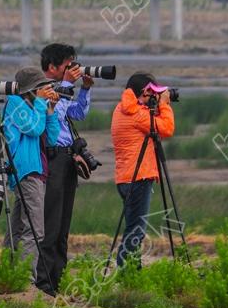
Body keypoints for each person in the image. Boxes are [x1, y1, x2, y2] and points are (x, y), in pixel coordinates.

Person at [36, 43, 94, 294]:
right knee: (50, 222)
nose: (72, 69)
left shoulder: (64, 90)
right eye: (67, 65)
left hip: (68, 158)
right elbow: (52, 115)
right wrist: (69, 85)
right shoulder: (40, 89)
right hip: (52, 159)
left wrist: (85, 89)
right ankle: (44, 282)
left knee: (63, 225)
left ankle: (56, 280)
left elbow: (78, 114)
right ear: (52, 67)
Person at [110, 71, 175, 267]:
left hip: (125, 177)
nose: (154, 97)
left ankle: (132, 271)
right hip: (138, 176)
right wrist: (164, 104)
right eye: (152, 93)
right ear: (144, 92)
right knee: (136, 230)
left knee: (133, 228)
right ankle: (125, 272)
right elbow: (167, 129)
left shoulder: (121, 109)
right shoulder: (136, 114)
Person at [3, 66, 60, 285]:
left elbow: (52, 138)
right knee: (35, 230)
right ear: (32, 88)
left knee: (17, 228)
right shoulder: (16, 104)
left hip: (37, 171)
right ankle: (25, 280)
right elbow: (34, 129)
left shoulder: (36, 106)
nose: (46, 90)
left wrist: (50, 109)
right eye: (42, 86)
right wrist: (39, 103)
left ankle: (7, 274)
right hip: (25, 170)